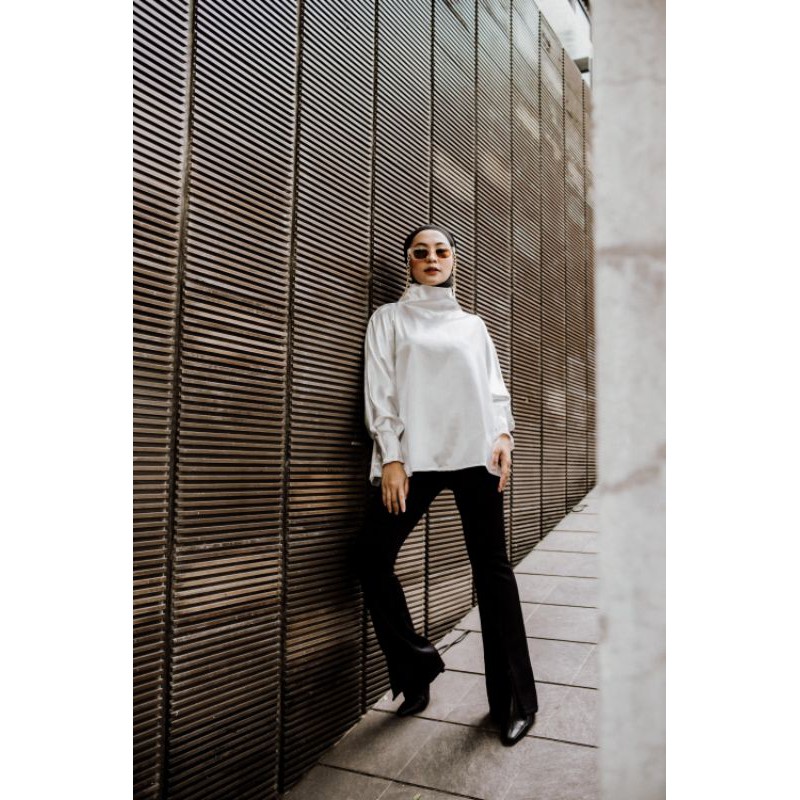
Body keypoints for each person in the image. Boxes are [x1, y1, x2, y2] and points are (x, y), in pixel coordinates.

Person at [352, 224, 539, 746]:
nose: (432, 258)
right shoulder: (388, 319)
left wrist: (504, 435)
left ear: (453, 259)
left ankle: (515, 703)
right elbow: (380, 391)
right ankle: (416, 666)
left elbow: (495, 390)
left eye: (441, 251)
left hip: (476, 456)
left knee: (493, 571)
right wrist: (391, 457)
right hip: (414, 459)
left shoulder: (473, 325)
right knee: (370, 556)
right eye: (421, 252)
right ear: (409, 262)